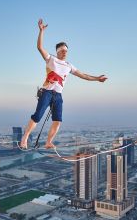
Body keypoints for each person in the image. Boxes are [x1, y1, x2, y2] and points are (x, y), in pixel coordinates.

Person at [20, 19, 108, 149]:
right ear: (57, 51)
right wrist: (41, 31)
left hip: (58, 95)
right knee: (37, 116)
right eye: (62, 50)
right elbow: (39, 47)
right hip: (47, 92)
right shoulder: (51, 59)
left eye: (66, 51)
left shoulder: (69, 65)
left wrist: (97, 79)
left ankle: (48, 142)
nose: (65, 52)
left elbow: (83, 75)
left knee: (57, 121)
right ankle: (25, 138)